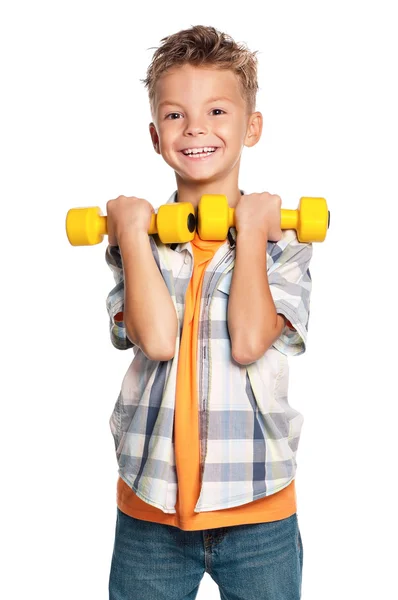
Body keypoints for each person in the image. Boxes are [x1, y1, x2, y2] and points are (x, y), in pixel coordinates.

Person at [106, 24, 312, 600]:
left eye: (217, 110)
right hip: (150, 510)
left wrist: (249, 231)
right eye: (175, 115)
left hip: (258, 506)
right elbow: (157, 341)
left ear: (252, 127)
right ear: (155, 134)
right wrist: (128, 229)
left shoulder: (283, 241)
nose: (195, 127)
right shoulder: (136, 239)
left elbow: (249, 342)